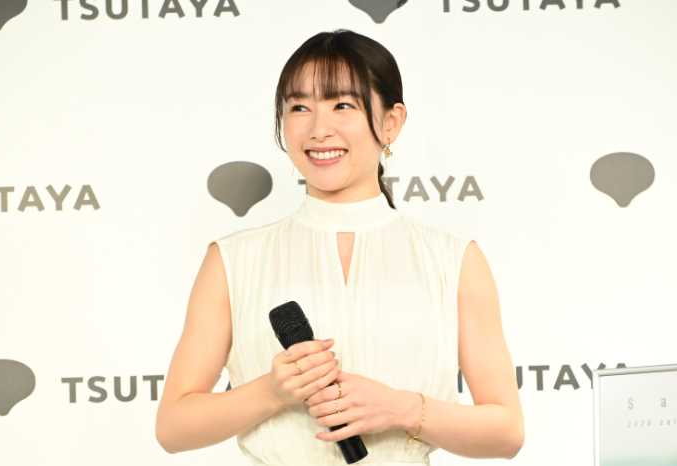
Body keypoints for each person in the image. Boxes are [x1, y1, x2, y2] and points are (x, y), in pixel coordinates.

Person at [155, 29, 524, 465]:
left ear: (391, 122)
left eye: (342, 105)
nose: (318, 129)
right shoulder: (233, 260)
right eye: (299, 107)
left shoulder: (453, 260)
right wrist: (271, 392)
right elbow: (174, 427)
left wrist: (404, 409)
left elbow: (506, 432)